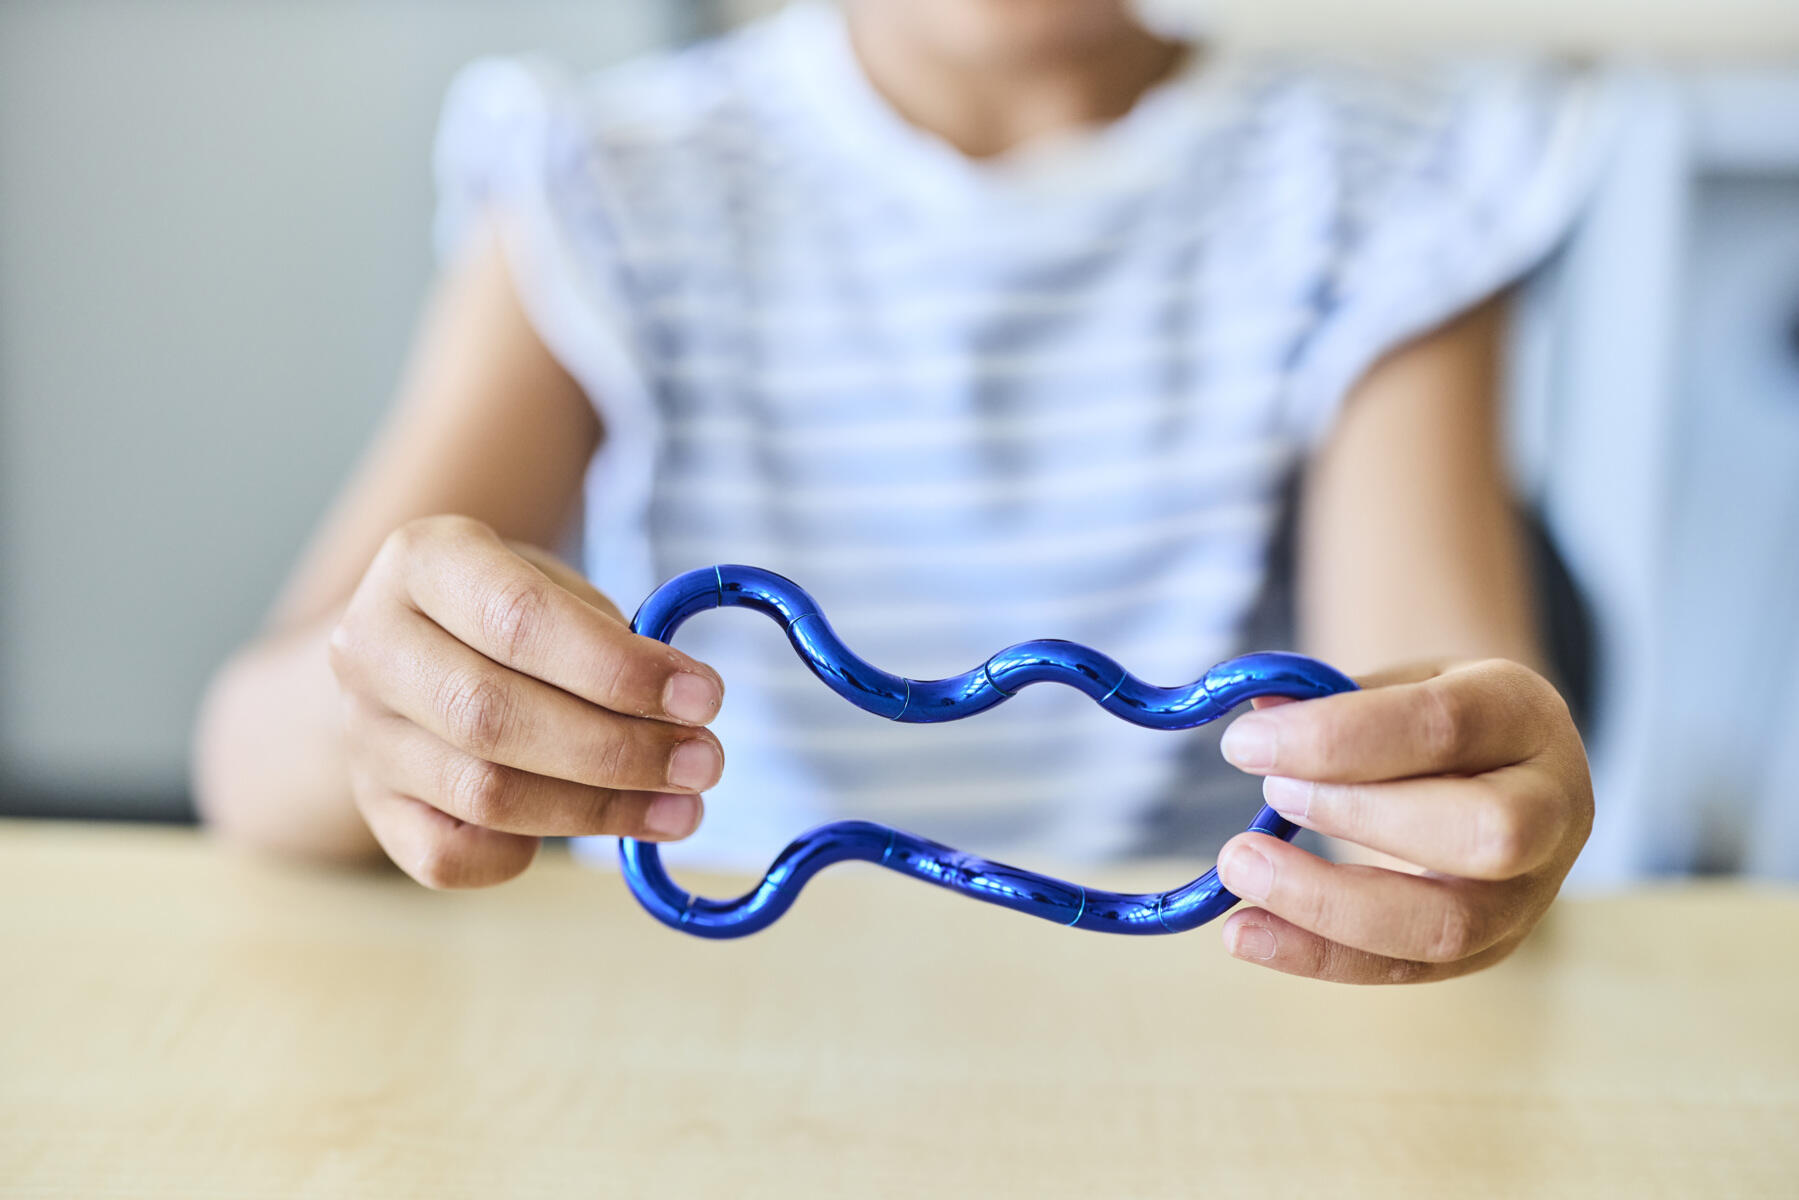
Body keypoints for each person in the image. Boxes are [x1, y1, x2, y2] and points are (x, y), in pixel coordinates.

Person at [192, 0, 1607, 984]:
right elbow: (251, 750)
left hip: (1198, 1047)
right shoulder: (609, 188)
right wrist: (383, 717)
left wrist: (1461, 806)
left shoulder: (1384, 194)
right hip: (706, 1055)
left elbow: (1419, 742)